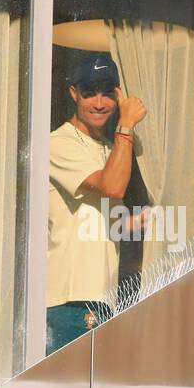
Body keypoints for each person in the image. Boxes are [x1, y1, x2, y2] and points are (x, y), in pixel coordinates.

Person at [46, 53, 148, 355]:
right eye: (90, 92)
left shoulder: (110, 148)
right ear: (74, 93)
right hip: (69, 300)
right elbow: (112, 186)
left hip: (103, 299)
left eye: (107, 92)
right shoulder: (58, 142)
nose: (100, 103)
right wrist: (127, 124)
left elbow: (105, 223)